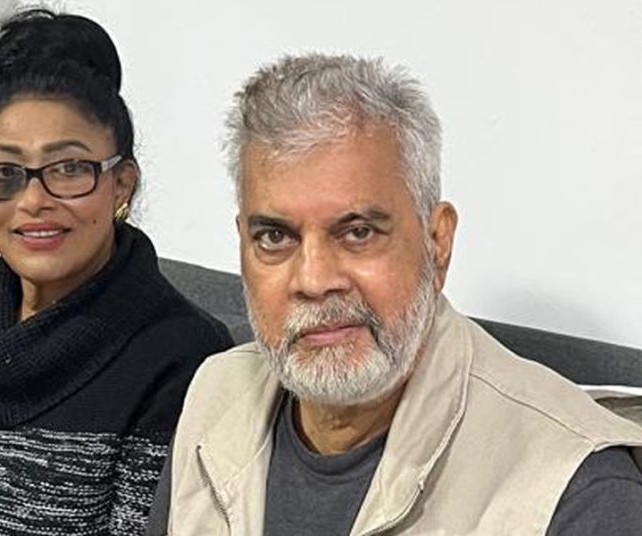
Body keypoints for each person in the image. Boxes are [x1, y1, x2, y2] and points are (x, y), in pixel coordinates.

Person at [149, 54, 642, 535]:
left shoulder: (577, 490)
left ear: (437, 242)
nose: (314, 280)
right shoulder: (214, 395)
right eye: (275, 237)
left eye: (358, 232)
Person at [0, 9, 232, 534]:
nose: (33, 200)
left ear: (122, 184)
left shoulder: (185, 356)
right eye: (5, 172)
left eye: (69, 169)